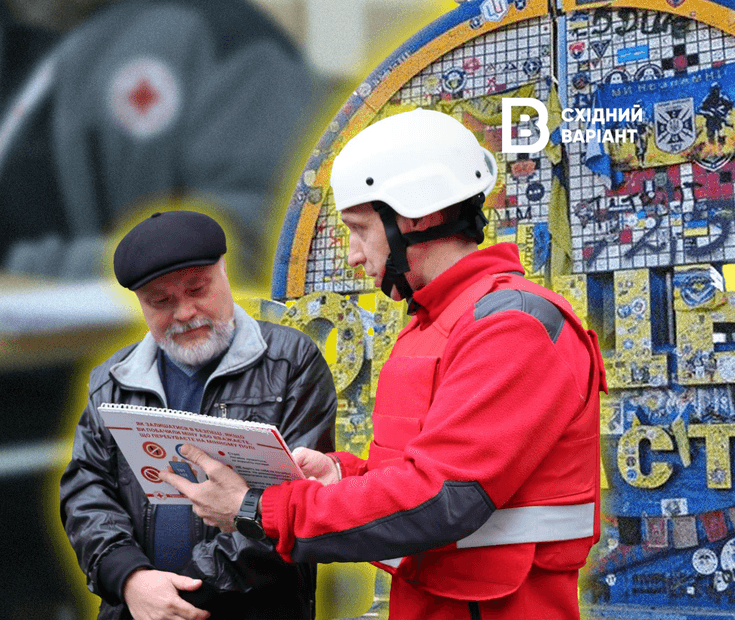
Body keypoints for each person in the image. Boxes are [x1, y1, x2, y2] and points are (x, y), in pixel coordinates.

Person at [163, 109, 607, 620]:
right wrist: (339, 475)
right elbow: (417, 476)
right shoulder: (442, 321)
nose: (354, 254)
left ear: (414, 217)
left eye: (359, 228)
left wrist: (258, 510)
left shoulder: (511, 327)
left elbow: (442, 498)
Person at [60, 210, 337, 620]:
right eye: (161, 301)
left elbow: (296, 504)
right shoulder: (112, 380)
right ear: (140, 304)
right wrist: (130, 578)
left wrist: (180, 593)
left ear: (224, 271)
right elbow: (86, 491)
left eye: (197, 289)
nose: (185, 312)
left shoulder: (290, 362)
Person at [0, 0, 320, 282]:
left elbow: (264, 238)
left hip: (138, 356)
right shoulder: (0, 31)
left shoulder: (227, 39)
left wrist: (24, 273)